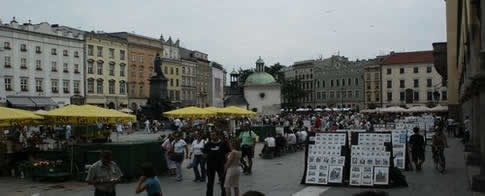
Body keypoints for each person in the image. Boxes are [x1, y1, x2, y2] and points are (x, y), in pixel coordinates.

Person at [203, 132, 230, 196]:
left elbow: (227, 153)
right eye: (211, 135)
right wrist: (206, 157)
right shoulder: (208, 144)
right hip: (210, 166)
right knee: (210, 182)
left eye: (213, 135)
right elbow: (204, 154)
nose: (212, 137)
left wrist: (226, 163)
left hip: (221, 165)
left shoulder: (223, 144)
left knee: (223, 182)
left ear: (218, 136)